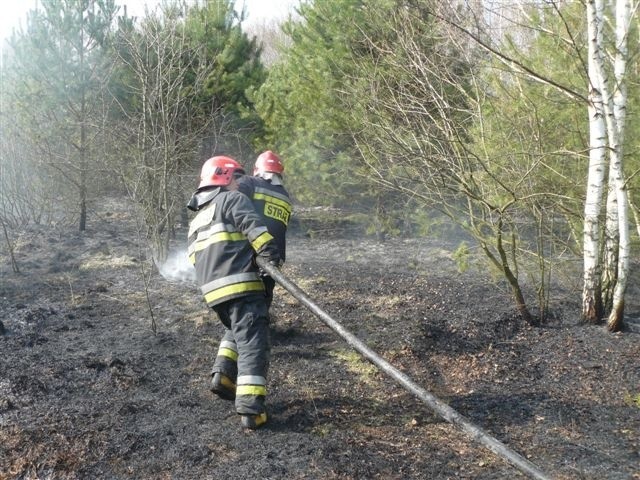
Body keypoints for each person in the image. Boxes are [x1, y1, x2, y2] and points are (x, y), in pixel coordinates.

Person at [187, 155, 281, 430]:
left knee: (239, 333)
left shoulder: (197, 221)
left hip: (213, 294)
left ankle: (224, 377)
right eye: (237, 178)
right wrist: (269, 258)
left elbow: (195, 259)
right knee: (254, 342)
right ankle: (251, 409)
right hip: (241, 285)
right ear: (225, 177)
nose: (241, 184)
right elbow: (257, 231)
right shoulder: (232, 200)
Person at [236, 150, 292, 310]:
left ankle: (236, 333)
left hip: (250, 253)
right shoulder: (286, 196)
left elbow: (232, 203)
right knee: (264, 297)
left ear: (257, 169)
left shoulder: (249, 182)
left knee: (243, 298)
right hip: (275, 257)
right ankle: (264, 329)